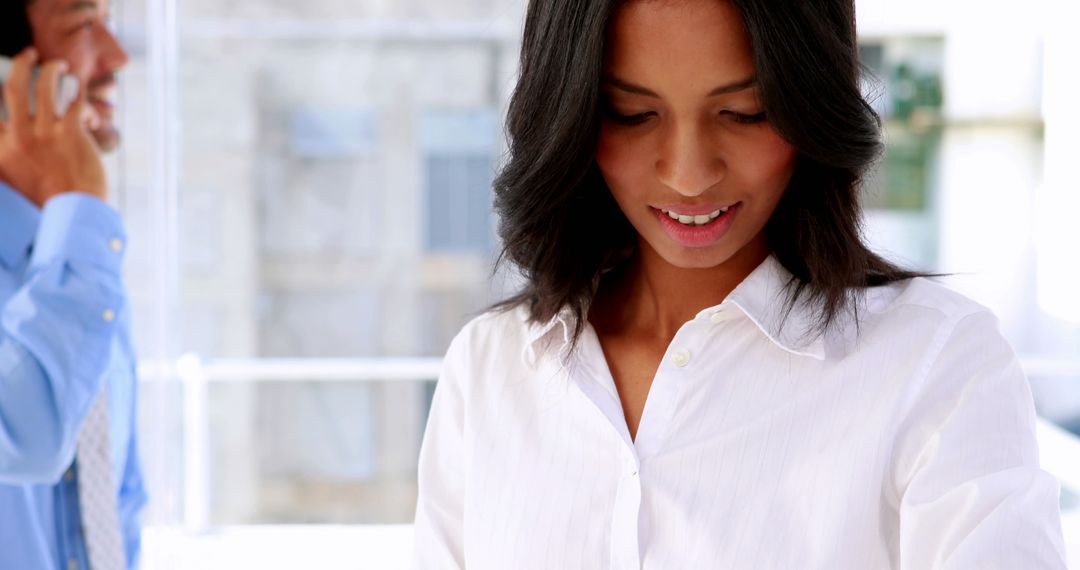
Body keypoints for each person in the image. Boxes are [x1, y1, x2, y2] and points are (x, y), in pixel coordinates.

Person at [413, 0, 1067, 567]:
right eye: (633, 114)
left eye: (746, 113)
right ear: (573, 118)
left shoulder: (936, 366)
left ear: (809, 105)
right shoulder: (490, 366)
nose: (690, 175)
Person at [0, 1, 146, 569]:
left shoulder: (82, 259)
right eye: (85, 27)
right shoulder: (85, 248)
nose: (118, 56)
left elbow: (118, 502)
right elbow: (28, 437)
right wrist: (80, 204)